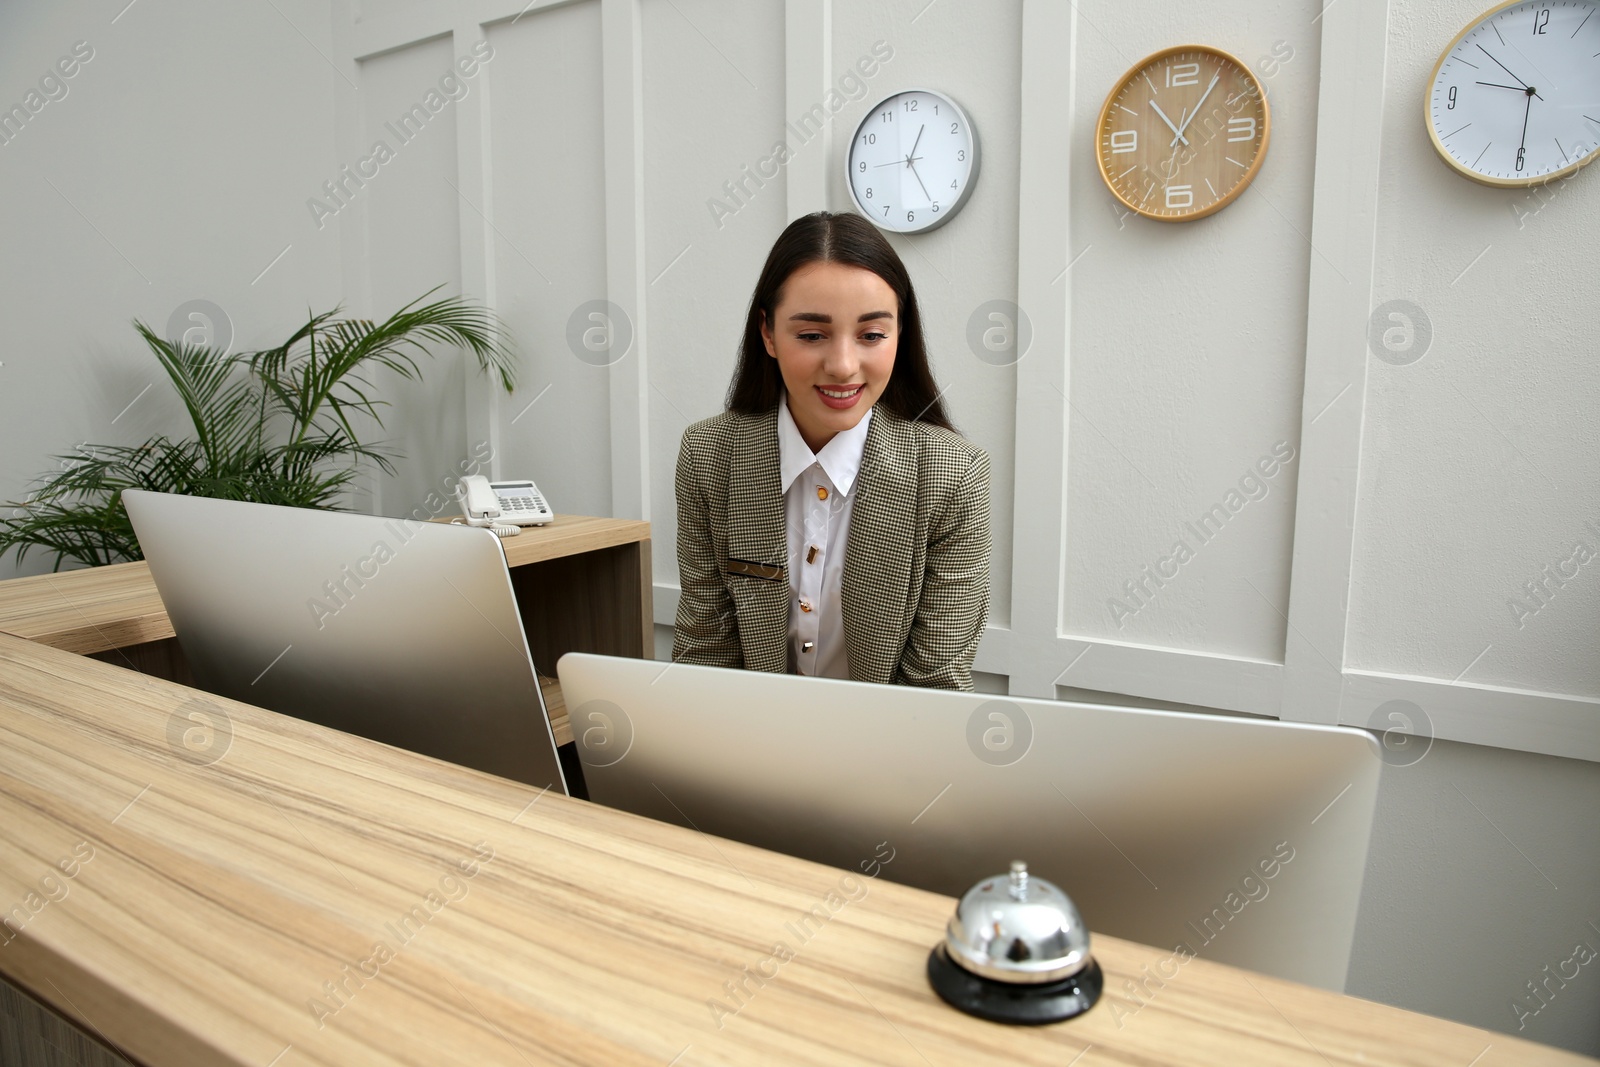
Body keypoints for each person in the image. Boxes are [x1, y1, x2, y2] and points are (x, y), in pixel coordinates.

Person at [672, 211, 991, 690]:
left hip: (890, 754)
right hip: (747, 747)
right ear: (768, 334)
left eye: (871, 335)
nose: (843, 366)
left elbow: (935, 685)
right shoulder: (708, 456)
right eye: (812, 335)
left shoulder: (953, 474)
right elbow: (706, 655)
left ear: (900, 336)